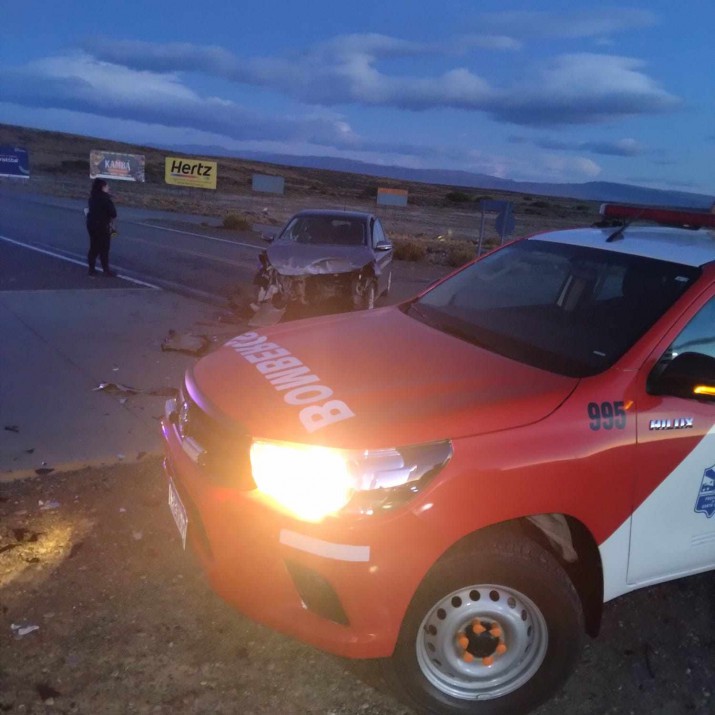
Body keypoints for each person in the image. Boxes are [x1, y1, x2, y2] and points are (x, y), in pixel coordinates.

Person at [86, 178, 118, 277]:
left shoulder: (92, 198)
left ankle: (91, 269)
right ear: (102, 187)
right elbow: (113, 213)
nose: (108, 187)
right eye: (107, 186)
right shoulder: (105, 199)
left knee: (94, 247)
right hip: (102, 225)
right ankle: (106, 270)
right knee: (104, 248)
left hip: (91, 224)